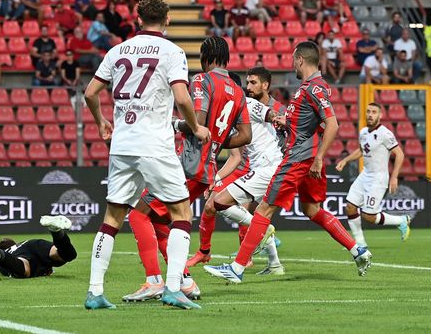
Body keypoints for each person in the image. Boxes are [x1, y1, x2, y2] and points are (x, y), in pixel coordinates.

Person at [204, 41, 372, 284]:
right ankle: (358, 251)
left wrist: (318, 157)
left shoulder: (314, 88)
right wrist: (287, 123)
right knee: (311, 210)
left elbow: (332, 124)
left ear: (301, 60)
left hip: (299, 159)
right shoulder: (309, 88)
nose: (292, 64)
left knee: (264, 209)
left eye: (294, 60)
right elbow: (315, 124)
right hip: (307, 157)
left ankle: (237, 268)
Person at [83, 0, 210, 311]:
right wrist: (195, 127)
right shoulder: (172, 52)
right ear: (167, 19)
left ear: (137, 19)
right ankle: (172, 287)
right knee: (182, 213)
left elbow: (90, 92)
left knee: (112, 217)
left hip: (123, 144)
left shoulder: (117, 51)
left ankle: (95, 292)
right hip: (154, 143)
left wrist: (101, 122)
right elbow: (181, 97)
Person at [124, 35, 251, 301]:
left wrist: (172, 123)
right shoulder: (238, 90)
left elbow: (198, 122)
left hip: (188, 165)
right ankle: (184, 281)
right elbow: (245, 135)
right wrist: (217, 140)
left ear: (206, 57)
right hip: (207, 169)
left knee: (138, 214)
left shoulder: (202, 81)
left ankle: (154, 281)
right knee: (160, 220)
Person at [187, 67, 285, 275]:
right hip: (264, 167)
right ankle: (274, 264)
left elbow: (269, 113)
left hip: (267, 166)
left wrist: (279, 118)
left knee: (219, 203)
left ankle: (242, 259)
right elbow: (235, 154)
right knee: (258, 212)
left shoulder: (248, 104)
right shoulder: (231, 113)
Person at [336, 103, 409, 246]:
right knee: (350, 207)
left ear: (380, 115)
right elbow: (362, 151)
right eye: (368, 111)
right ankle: (360, 244)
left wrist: (394, 177)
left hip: (378, 178)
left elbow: (399, 154)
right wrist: (345, 160)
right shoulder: (363, 132)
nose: (370, 114)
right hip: (365, 175)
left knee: (368, 216)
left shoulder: (385, 134)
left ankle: (401, 220)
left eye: (374, 112)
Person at [0, 216, 77, 278]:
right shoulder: (22, 244)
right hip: (33, 244)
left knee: (25, 269)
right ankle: (56, 231)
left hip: (14, 257)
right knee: (65, 255)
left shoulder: (9, 254)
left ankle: (0, 255)